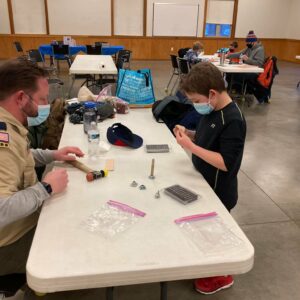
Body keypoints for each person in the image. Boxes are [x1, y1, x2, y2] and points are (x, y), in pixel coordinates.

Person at [0, 58, 84, 297]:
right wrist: (46, 188)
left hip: (16, 226)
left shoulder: (7, 124)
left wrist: (53, 154)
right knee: (79, 242)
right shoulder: (2, 141)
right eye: (43, 100)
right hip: (7, 244)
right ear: (20, 98)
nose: (46, 106)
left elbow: (22, 155)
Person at [174, 62, 246, 295]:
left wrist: (190, 147)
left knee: (215, 234)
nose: (196, 106)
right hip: (203, 181)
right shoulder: (213, 110)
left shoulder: (233, 119)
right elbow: (207, 138)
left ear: (212, 94)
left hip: (219, 190)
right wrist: (191, 135)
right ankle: (208, 265)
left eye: (196, 100)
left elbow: (226, 163)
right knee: (203, 231)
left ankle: (222, 276)